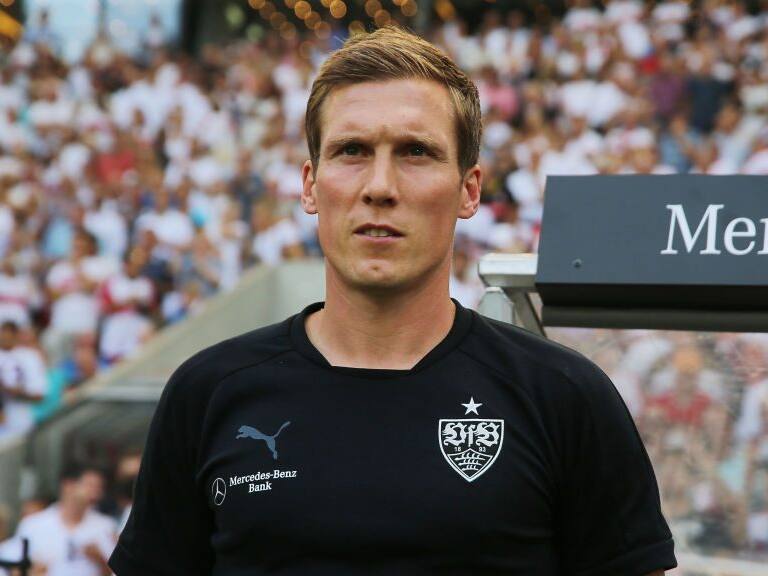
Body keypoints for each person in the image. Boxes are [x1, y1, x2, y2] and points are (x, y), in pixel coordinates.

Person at [109, 26, 676, 575]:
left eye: (415, 152)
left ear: (469, 190)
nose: (380, 186)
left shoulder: (565, 397)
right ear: (310, 184)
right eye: (352, 150)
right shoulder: (208, 393)